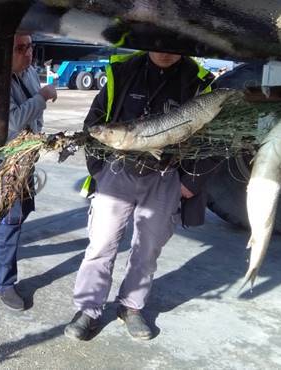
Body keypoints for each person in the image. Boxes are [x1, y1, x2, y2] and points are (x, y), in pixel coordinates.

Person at [64, 51, 214, 340]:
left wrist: (190, 183)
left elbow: (214, 139)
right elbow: (93, 122)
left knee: (148, 249)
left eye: (173, 45)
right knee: (101, 244)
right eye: (158, 43)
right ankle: (88, 308)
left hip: (165, 177)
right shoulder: (123, 72)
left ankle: (131, 307)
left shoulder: (198, 82)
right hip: (117, 172)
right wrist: (98, 169)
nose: (165, 52)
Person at [0, 33, 57, 311]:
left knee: (24, 209)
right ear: (2, 51)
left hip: (25, 156)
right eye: (20, 48)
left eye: (30, 46)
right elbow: (9, 125)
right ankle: (4, 284)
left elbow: (33, 113)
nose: (28, 53)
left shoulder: (28, 71)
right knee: (11, 220)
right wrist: (43, 97)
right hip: (3, 160)